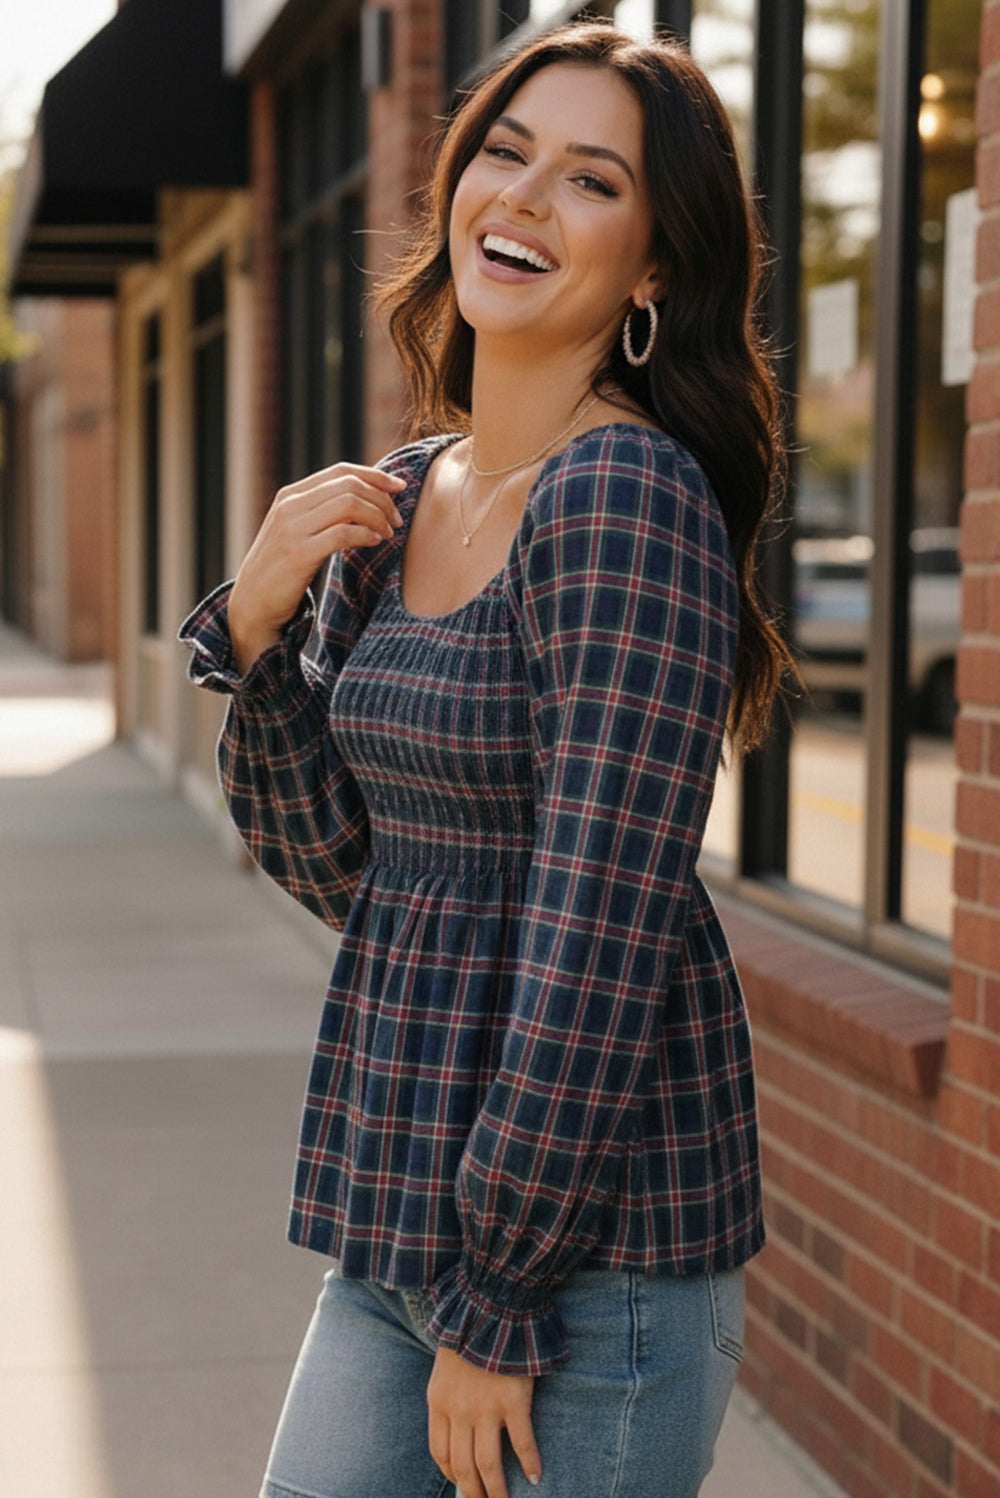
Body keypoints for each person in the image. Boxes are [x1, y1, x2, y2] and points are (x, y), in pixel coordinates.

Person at [181, 19, 794, 1498]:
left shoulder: (626, 499)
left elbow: (599, 929)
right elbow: (344, 869)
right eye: (505, 153)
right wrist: (255, 622)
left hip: (591, 1260)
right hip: (401, 1220)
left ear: (653, 267)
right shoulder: (403, 498)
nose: (520, 199)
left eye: (591, 182)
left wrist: (504, 1290)